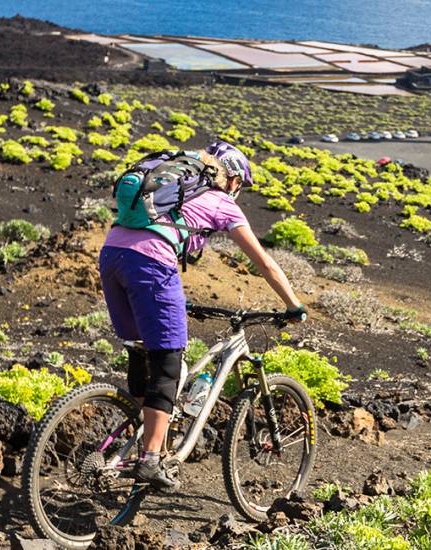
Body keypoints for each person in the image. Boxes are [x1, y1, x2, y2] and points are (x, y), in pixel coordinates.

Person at [98, 141, 306, 489]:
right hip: (151, 264)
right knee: (168, 361)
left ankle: (146, 439)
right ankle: (150, 460)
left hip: (112, 255)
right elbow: (265, 264)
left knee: (140, 350)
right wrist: (293, 305)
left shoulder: (171, 190)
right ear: (234, 180)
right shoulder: (220, 200)